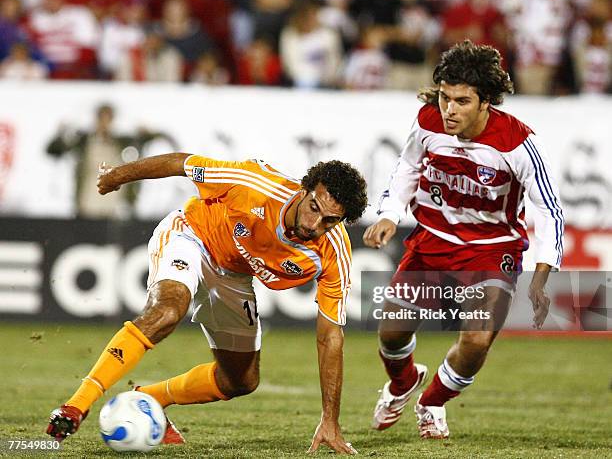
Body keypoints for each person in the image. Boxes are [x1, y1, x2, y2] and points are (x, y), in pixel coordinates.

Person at [46, 153, 367, 454]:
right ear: (304, 190)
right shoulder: (252, 182)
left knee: (241, 381)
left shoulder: (332, 252)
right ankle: (76, 405)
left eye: (329, 220)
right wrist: (117, 176)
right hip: (191, 236)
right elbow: (181, 163)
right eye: (314, 208)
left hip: (233, 275)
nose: (314, 225)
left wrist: (330, 419)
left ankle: (147, 397)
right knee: (167, 311)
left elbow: (330, 337)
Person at [363, 40, 564, 439]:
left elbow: (548, 212)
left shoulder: (518, 144)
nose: (449, 110)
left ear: (486, 102)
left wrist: (541, 277)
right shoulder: (427, 121)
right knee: (391, 331)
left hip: (491, 249)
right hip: (433, 240)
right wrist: (389, 213)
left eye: (461, 101)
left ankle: (432, 401)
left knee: (476, 339)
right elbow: (408, 166)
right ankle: (403, 384)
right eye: (444, 97)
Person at [46, 103, 176, 219]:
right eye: (101, 119)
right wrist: (60, 133)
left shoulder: (122, 143)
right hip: (86, 206)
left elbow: (159, 140)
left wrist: (148, 133)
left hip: (115, 209)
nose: (104, 123)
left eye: (108, 119)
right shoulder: (83, 142)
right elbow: (53, 151)